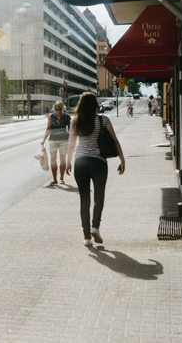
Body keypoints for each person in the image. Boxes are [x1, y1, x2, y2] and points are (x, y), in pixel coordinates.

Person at [66, 92, 126, 247]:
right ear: (95, 104)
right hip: (98, 162)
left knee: (84, 199)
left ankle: (86, 237)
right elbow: (115, 141)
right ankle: (95, 227)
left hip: (80, 163)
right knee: (99, 197)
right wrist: (122, 159)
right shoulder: (103, 119)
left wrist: (68, 162)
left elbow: (71, 144)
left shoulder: (75, 121)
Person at [42, 101, 70, 186]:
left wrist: (72, 141)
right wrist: (44, 139)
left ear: (63, 108)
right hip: (53, 139)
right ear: (54, 109)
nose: (58, 111)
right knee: (53, 159)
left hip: (64, 140)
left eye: (60, 109)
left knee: (62, 159)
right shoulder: (51, 116)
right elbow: (48, 128)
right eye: (57, 109)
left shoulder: (67, 117)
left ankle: (61, 178)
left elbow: (70, 130)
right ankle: (54, 179)